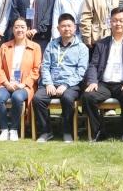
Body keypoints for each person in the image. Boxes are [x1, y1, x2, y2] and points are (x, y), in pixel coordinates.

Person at [83, 8, 123, 142]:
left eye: (121, 21)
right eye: (114, 21)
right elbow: (93, 65)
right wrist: (93, 81)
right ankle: (99, 131)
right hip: (104, 84)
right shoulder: (101, 44)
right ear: (110, 23)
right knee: (88, 96)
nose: (118, 23)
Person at [32, 14, 89, 142]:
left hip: (70, 84)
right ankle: (46, 132)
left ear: (75, 28)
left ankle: (67, 131)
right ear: (58, 28)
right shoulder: (51, 45)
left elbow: (81, 71)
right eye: (63, 26)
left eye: (69, 26)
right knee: (38, 99)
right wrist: (48, 83)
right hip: (51, 83)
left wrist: (66, 85)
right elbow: (45, 66)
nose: (66, 28)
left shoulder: (82, 48)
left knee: (67, 98)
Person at [0, 16, 42, 141]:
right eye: (17, 27)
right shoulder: (5, 46)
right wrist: (6, 83)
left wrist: (23, 84)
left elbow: (36, 69)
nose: (19, 30)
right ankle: (4, 129)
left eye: (22, 27)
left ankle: (14, 129)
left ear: (27, 29)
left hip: (24, 85)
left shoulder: (35, 47)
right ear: (12, 29)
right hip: (6, 83)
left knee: (17, 97)